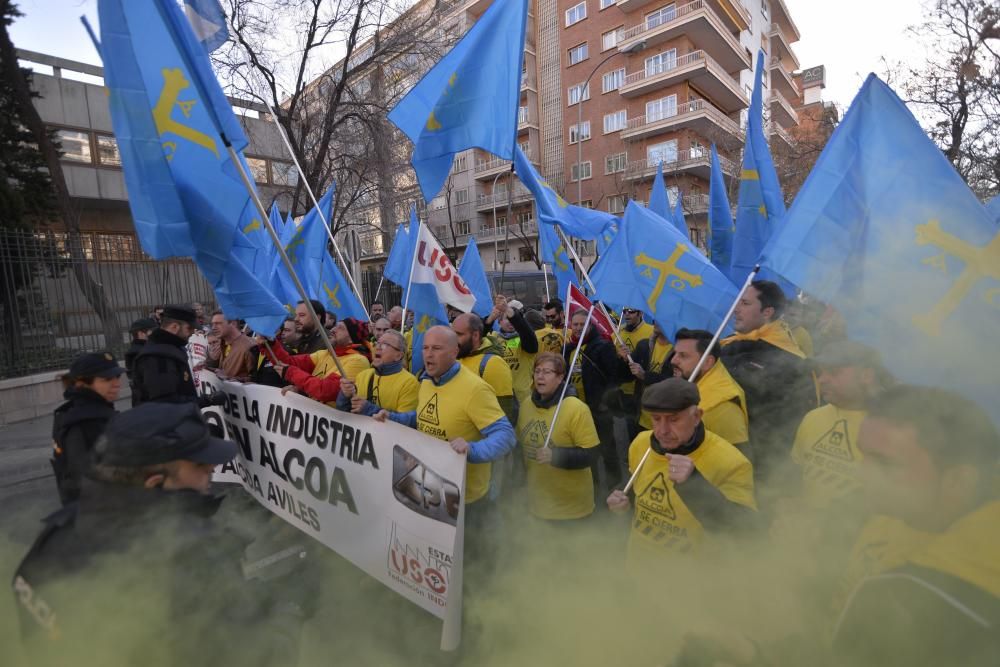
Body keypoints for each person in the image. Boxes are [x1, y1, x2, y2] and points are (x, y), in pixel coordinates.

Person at [12, 402, 269, 667]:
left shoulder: (53, 537)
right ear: (154, 483)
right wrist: (284, 616)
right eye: (199, 464)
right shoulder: (195, 554)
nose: (211, 469)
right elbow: (250, 653)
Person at [833, 385, 1000, 666]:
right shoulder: (887, 511)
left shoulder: (969, 602)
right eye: (863, 455)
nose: (860, 474)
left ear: (958, 481)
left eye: (885, 464)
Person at [374, 326, 515, 561]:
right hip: (429, 493)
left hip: (468, 502)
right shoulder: (427, 382)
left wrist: (473, 449)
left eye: (437, 349)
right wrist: (391, 418)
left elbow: (506, 435)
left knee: (474, 563)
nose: (428, 355)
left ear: (454, 352)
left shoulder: (474, 388)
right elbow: (423, 417)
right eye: (425, 348)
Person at [607, 379, 756, 567]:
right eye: (656, 418)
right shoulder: (641, 443)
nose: (662, 431)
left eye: (673, 419)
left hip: (692, 582)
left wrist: (694, 484)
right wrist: (623, 506)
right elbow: (641, 496)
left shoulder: (731, 461)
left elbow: (746, 532)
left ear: (696, 416)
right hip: (639, 569)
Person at [719, 280, 816, 480]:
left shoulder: (790, 361)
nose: (736, 309)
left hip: (763, 468)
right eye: (738, 302)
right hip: (724, 458)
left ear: (767, 312)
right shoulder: (727, 344)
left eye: (745, 304)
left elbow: (791, 425)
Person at [789, 340, 891, 511]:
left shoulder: (894, 428)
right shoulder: (813, 418)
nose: (821, 380)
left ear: (866, 376)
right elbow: (795, 472)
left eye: (834, 372)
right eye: (821, 372)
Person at [517, 353, 600, 522]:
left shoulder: (576, 409)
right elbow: (521, 448)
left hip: (571, 510)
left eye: (547, 372)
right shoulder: (526, 404)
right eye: (537, 371)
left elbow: (592, 455)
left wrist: (556, 456)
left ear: (560, 377)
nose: (540, 376)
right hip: (537, 503)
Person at [566, 307, 630, 490]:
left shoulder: (602, 346)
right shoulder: (569, 348)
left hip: (598, 408)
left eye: (582, 324)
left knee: (606, 447)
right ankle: (592, 482)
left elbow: (613, 377)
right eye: (575, 324)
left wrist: (604, 402)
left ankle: (614, 482)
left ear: (590, 325)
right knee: (584, 447)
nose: (578, 328)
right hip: (577, 408)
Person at [50, 352, 124, 505]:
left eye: (117, 377)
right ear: (82, 384)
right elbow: (82, 477)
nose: (117, 384)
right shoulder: (81, 422)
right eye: (107, 379)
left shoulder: (91, 413)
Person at [669, 328, 750, 452]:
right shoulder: (693, 383)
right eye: (675, 353)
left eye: (683, 356)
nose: (673, 360)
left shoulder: (723, 406)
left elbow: (736, 460)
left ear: (707, 362)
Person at [262, 317, 371, 406]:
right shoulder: (325, 354)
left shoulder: (358, 360)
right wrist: (271, 343)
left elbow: (325, 390)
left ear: (351, 338)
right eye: (335, 326)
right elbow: (288, 362)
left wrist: (291, 373)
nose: (333, 329)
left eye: (340, 328)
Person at [132, 305, 223, 407]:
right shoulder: (158, 357)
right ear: (174, 327)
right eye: (190, 328)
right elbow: (166, 404)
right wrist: (207, 400)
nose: (193, 332)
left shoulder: (171, 347)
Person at [337, 330, 418, 415]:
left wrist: (369, 409)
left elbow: (405, 424)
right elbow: (343, 414)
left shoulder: (410, 383)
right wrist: (345, 396)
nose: (378, 347)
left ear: (398, 356)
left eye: (385, 345)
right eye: (377, 343)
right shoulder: (363, 375)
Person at [453, 312, 516, 421]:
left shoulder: (493, 363)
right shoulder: (457, 358)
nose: (453, 340)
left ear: (476, 335)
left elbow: (505, 413)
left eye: (459, 334)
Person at [488, 296, 539, 406]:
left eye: (512, 319)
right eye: (507, 318)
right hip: (498, 399)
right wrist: (489, 319)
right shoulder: (492, 338)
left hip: (523, 400)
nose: (510, 322)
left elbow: (526, 333)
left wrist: (509, 311)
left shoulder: (524, 338)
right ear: (499, 321)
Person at [627, 321, 674, 430]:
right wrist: (624, 358)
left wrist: (645, 375)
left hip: (664, 421)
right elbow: (626, 375)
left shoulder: (679, 351)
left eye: (661, 318)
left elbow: (675, 383)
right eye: (655, 318)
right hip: (640, 415)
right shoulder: (644, 345)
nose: (656, 321)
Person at [205, 311, 257, 382]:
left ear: (233, 323)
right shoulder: (223, 344)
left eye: (218, 323)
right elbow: (224, 371)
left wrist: (232, 379)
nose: (213, 328)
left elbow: (256, 380)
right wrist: (206, 367)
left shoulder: (249, 346)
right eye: (212, 324)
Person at [124, 317, 155, 406]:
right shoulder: (139, 353)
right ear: (141, 333)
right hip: (147, 403)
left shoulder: (146, 349)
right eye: (152, 331)